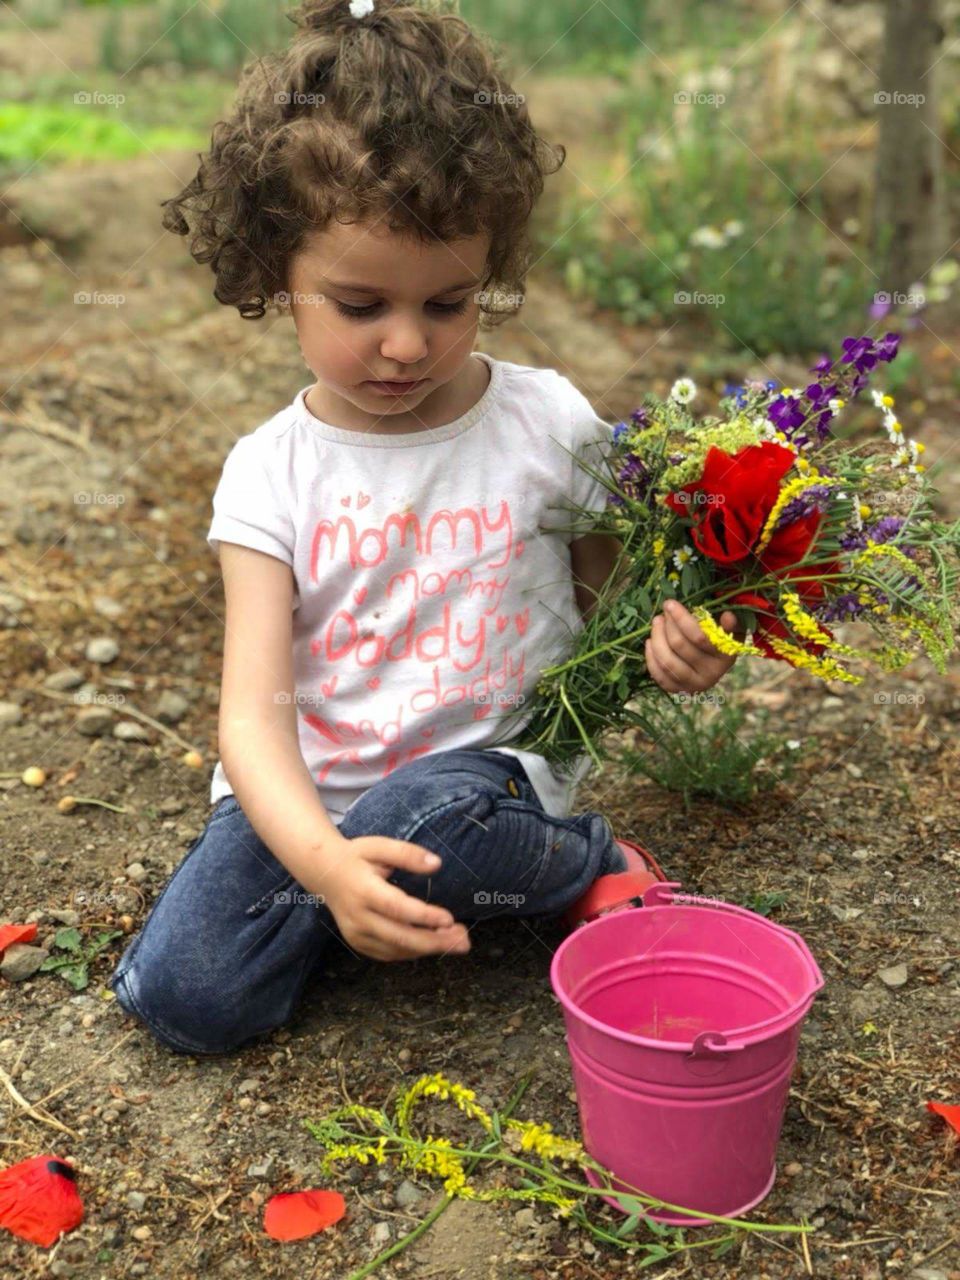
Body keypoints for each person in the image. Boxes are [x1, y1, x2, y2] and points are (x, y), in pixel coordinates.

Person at [108, 0, 740, 1056]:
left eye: (450, 303)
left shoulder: (544, 423)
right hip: (307, 794)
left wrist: (678, 644)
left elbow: (614, 604)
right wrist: (320, 861)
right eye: (360, 307)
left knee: (422, 822)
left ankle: (580, 858)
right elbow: (253, 723)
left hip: (481, 777)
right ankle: (364, 902)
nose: (407, 344)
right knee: (184, 997)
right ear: (276, 276)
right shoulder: (270, 472)